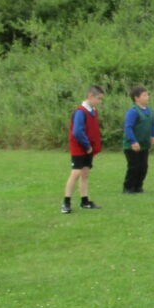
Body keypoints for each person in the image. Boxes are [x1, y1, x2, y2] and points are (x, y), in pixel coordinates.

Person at [62, 85, 105, 214]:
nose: (99, 102)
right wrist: (87, 146)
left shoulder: (93, 111)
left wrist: (92, 147)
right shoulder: (80, 111)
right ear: (90, 96)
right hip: (79, 148)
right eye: (98, 98)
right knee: (75, 173)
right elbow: (77, 132)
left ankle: (84, 200)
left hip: (88, 148)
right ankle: (66, 202)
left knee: (85, 173)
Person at [123, 85, 154, 194]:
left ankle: (138, 186)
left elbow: (153, 125)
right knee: (134, 166)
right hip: (132, 146)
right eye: (144, 95)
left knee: (143, 167)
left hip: (144, 145)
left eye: (147, 94)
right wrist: (133, 141)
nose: (147, 97)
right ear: (136, 98)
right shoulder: (133, 111)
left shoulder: (150, 111)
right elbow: (128, 127)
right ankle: (128, 187)